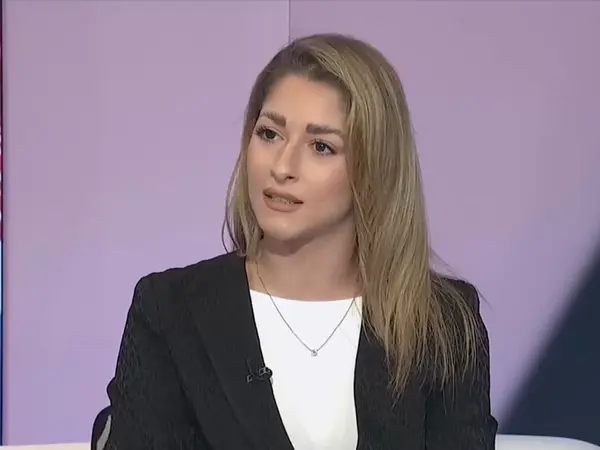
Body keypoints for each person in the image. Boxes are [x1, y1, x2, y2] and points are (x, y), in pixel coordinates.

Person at [100, 33, 498, 450]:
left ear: (374, 168)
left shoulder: (442, 324)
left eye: (321, 146)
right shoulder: (169, 312)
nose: (283, 166)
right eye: (269, 134)